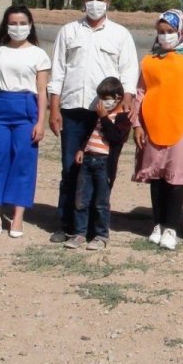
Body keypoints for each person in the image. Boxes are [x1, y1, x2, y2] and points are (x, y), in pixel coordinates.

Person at [48, 0, 138, 244]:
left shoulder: (120, 35)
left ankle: (96, 227)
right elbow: (58, 73)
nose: (94, 4)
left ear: (108, 2)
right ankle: (67, 224)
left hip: (106, 116)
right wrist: (54, 109)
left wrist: (123, 108)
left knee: (102, 171)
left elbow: (128, 74)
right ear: (82, 1)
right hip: (73, 111)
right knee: (70, 170)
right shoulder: (69, 31)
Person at [131, 10, 183, 250]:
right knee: (156, 176)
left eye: (170, 32)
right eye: (161, 32)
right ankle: (158, 224)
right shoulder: (150, 60)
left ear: (181, 31)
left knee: (175, 177)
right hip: (153, 123)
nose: (165, 37)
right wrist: (137, 124)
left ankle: (172, 227)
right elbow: (140, 93)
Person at [0, 6, 50, 238]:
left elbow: (42, 91)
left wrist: (41, 122)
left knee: (23, 161)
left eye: (22, 23)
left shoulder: (38, 54)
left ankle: (18, 216)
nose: (18, 28)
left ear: (30, 25)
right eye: (13, 23)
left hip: (26, 108)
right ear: (6, 26)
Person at [66, 77, 132, 251]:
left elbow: (116, 138)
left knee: (100, 202)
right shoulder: (97, 116)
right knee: (82, 199)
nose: (103, 102)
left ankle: (101, 235)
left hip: (104, 164)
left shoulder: (123, 118)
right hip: (88, 160)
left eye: (107, 98)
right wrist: (82, 149)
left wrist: (105, 118)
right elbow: (89, 134)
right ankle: (80, 233)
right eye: (101, 98)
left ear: (118, 97)